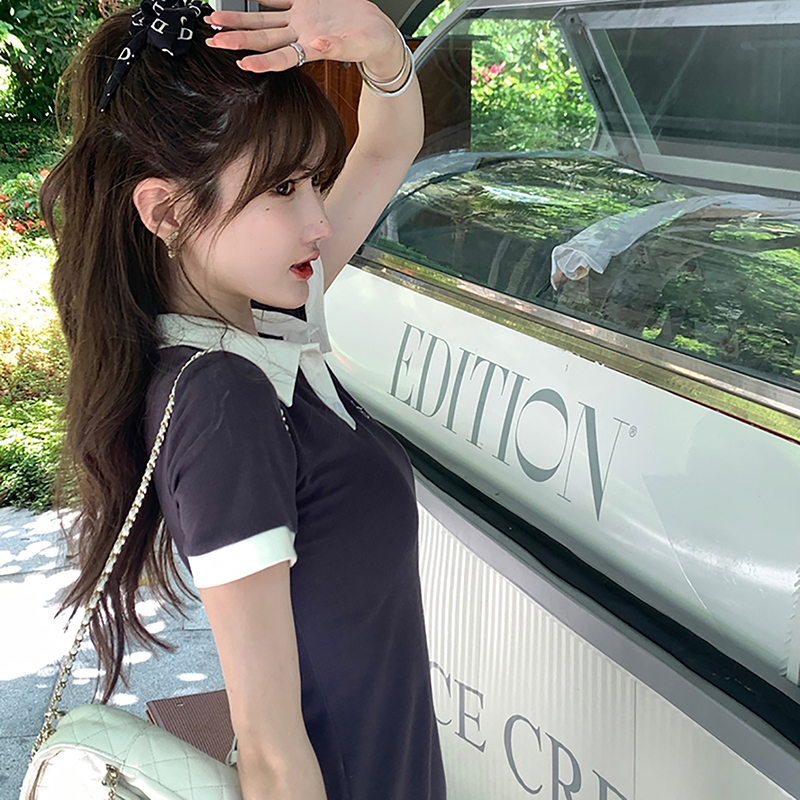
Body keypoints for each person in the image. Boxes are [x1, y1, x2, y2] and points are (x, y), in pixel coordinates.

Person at [39, 0, 446, 798]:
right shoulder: (222, 401)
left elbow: (387, 146)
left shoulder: (268, 320)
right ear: (165, 211)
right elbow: (271, 751)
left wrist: (379, 46)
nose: (319, 219)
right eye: (284, 187)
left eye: (314, 180)